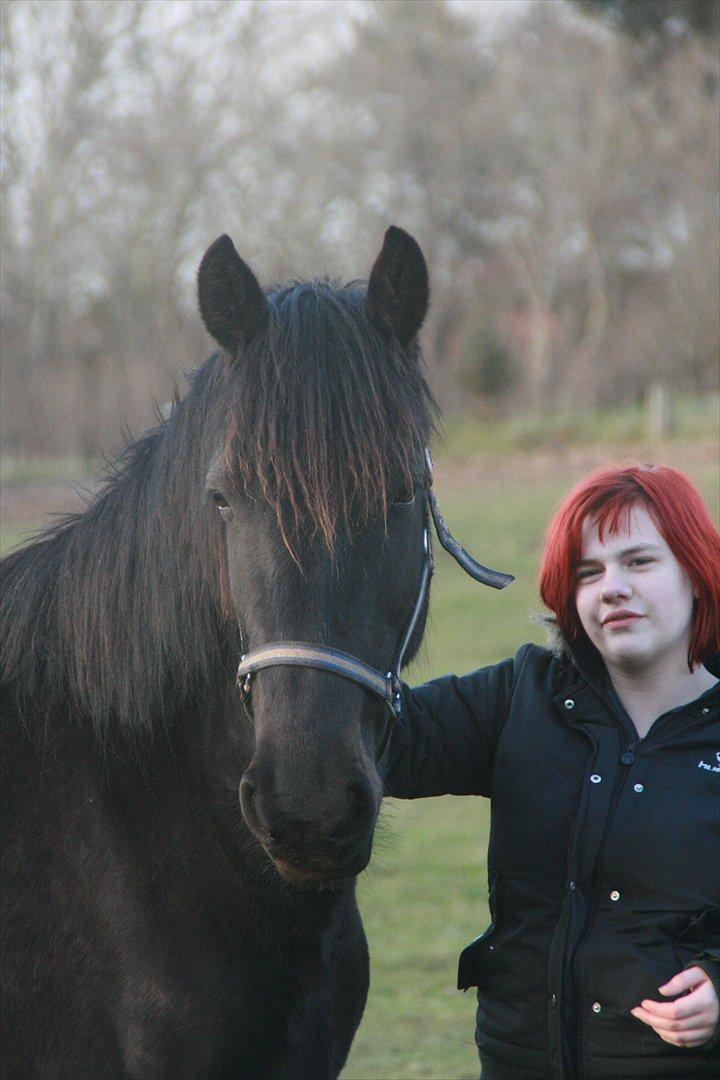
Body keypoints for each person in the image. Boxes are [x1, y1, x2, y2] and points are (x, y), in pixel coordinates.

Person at [384, 464, 719, 1080]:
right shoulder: (522, 698)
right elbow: (380, 739)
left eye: (639, 561)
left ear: (696, 573)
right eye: (588, 572)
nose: (612, 587)